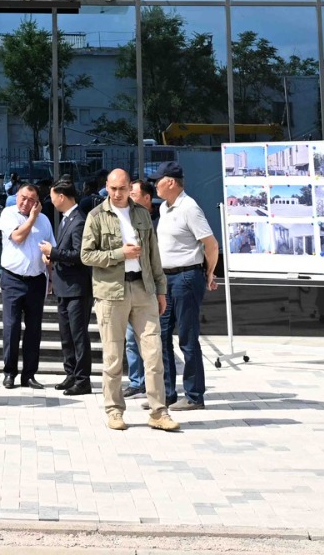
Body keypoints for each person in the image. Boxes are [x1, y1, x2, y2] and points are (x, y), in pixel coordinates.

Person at [80, 169, 176, 433]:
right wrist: (119, 254)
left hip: (143, 289)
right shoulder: (96, 216)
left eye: (122, 189)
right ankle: (114, 410)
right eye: (112, 189)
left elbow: (153, 255)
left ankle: (159, 411)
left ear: (129, 188)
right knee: (113, 356)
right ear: (107, 187)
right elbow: (86, 255)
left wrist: (160, 290)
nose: (117, 194)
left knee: (153, 353)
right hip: (111, 291)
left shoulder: (142, 213)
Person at [153, 164, 220, 411]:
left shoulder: (189, 208)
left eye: (158, 180)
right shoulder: (164, 207)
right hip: (166, 279)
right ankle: (167, 393)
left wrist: (209, 272)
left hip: (186, 277)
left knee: (187, 337)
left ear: (171, 182)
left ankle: (194, 395)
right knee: (162, 336)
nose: (154, 185)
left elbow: (211, 244)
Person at [0, 182, 54, 389]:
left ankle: (29, 374)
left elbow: (50, 248)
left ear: (37, 202)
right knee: (11, 327)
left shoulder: (45, 220)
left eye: (31, 200)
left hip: (37, 280)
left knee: (34, 329)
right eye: (23, 198)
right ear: (16, 196)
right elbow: (18, 237)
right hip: (13, 279)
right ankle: (9, 372)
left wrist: (51, 275)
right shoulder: (8, 214)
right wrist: (31, 218)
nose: (26, 203)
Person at [43, 178, 92, 396]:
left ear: (62, 196)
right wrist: (52, 257)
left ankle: (82, 379)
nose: (51, 201)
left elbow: (80, 255)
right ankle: (71, 373)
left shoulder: (79, 220)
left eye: (52, 197)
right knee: (66, 335)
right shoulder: (66, 219)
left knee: (78, 335)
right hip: (63, 287)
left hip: (77, 289)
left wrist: (53, 252)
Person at [122, 179, 158, 397]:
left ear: (146, 198)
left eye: (133, 194)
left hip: (149, 286)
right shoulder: (126, 218)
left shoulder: (158, 220)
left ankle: (156, 385)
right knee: (130, 339)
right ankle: (137, 381)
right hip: (128, 285)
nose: (129, 198)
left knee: (151, 340)